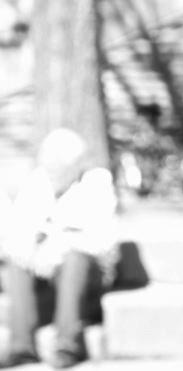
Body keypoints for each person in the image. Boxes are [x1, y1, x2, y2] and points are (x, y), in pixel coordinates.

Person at [0, 128, 118, 369]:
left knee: (75, 258)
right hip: (48, 275)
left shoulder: (97, 183)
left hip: (87, 277)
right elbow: (19, 230)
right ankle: (21, 348)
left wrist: (58, 246)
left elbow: (103, 244)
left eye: (59, 166)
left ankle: (68, 346)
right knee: (17, 260)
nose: (52, 171)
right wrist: (28, 252)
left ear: (76, 165)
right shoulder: (39, 181)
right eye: (49, 165)